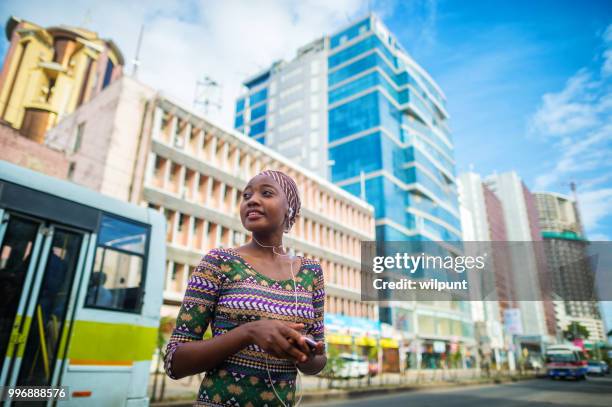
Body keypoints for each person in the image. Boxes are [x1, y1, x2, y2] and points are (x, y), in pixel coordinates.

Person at [164, 170, 326, 406]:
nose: (252, 199)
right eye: (246, 195)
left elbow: (318, 362)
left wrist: (305, 354)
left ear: (289, 209)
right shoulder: (219, 261)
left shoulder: (311, 272)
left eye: (266, 193)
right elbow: (174, 362)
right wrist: (248, 333)